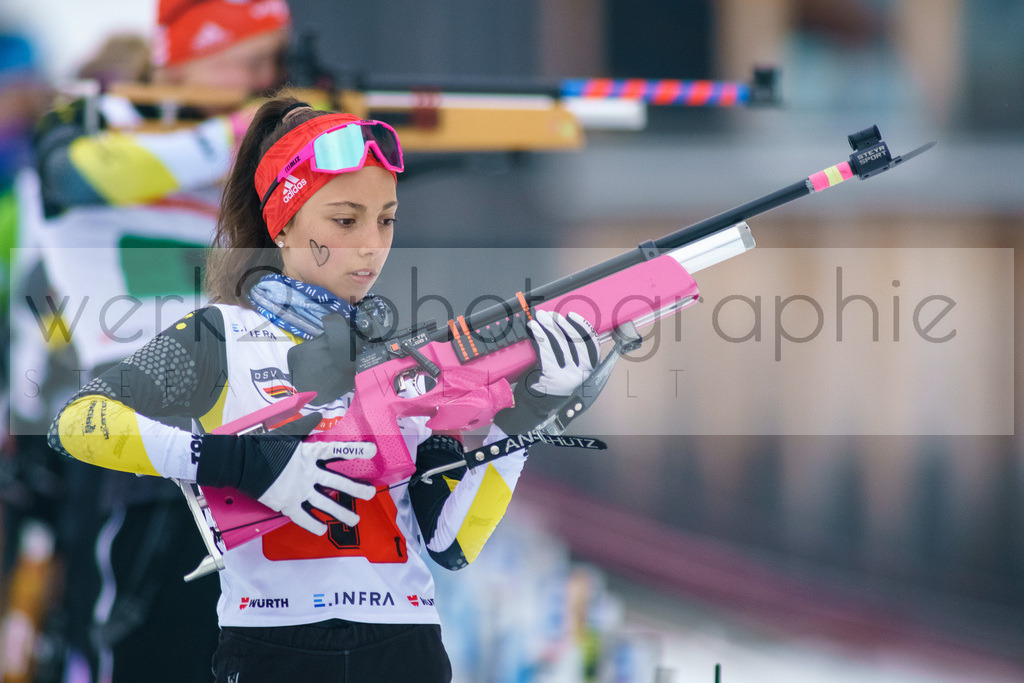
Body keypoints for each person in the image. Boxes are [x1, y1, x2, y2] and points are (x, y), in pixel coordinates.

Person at [47, 96, 600, 681]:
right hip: (272, 646)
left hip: (405, 647)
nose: (371, 244)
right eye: (345, 220)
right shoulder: (221, 335)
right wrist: (244, 464)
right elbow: (76, 421)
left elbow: (449, 542)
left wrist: (528, 415)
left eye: (386, 219)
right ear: (283, 223)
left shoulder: (409, 361)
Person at [28, 2, 290, 680]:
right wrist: (236, 137)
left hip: (243, 427)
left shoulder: (245, 156)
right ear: (194, 53)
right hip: (131, 420)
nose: (264, 77)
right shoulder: (92, 119)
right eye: (251, 59)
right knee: (137, 648)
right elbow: (78, 174)